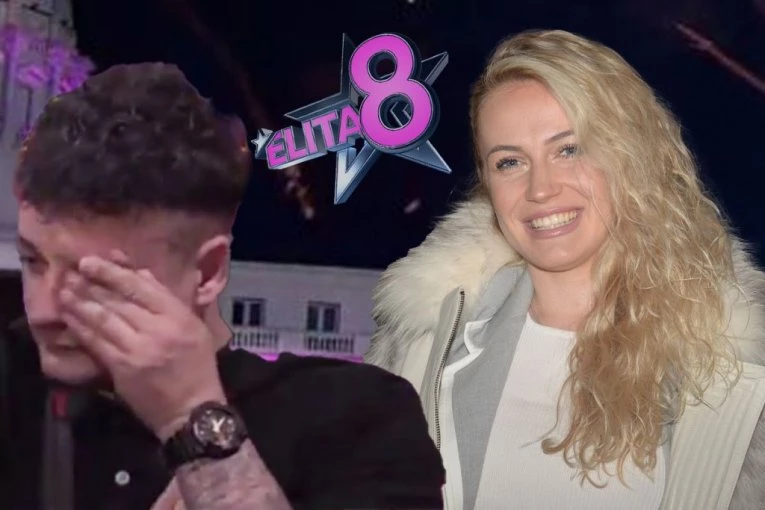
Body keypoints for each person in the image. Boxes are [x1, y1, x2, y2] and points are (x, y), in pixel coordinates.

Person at [0, 62, 445, 510]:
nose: (44, 311)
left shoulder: (354, 417)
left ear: (208, 272)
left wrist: (192, 421)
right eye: (33, 262)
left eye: (94, 280)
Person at [366, 29, 765, 510]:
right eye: (509, 162)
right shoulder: (426, 342)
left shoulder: (731, 359)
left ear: (630, 156)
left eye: (568, 150)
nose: (540, 189)